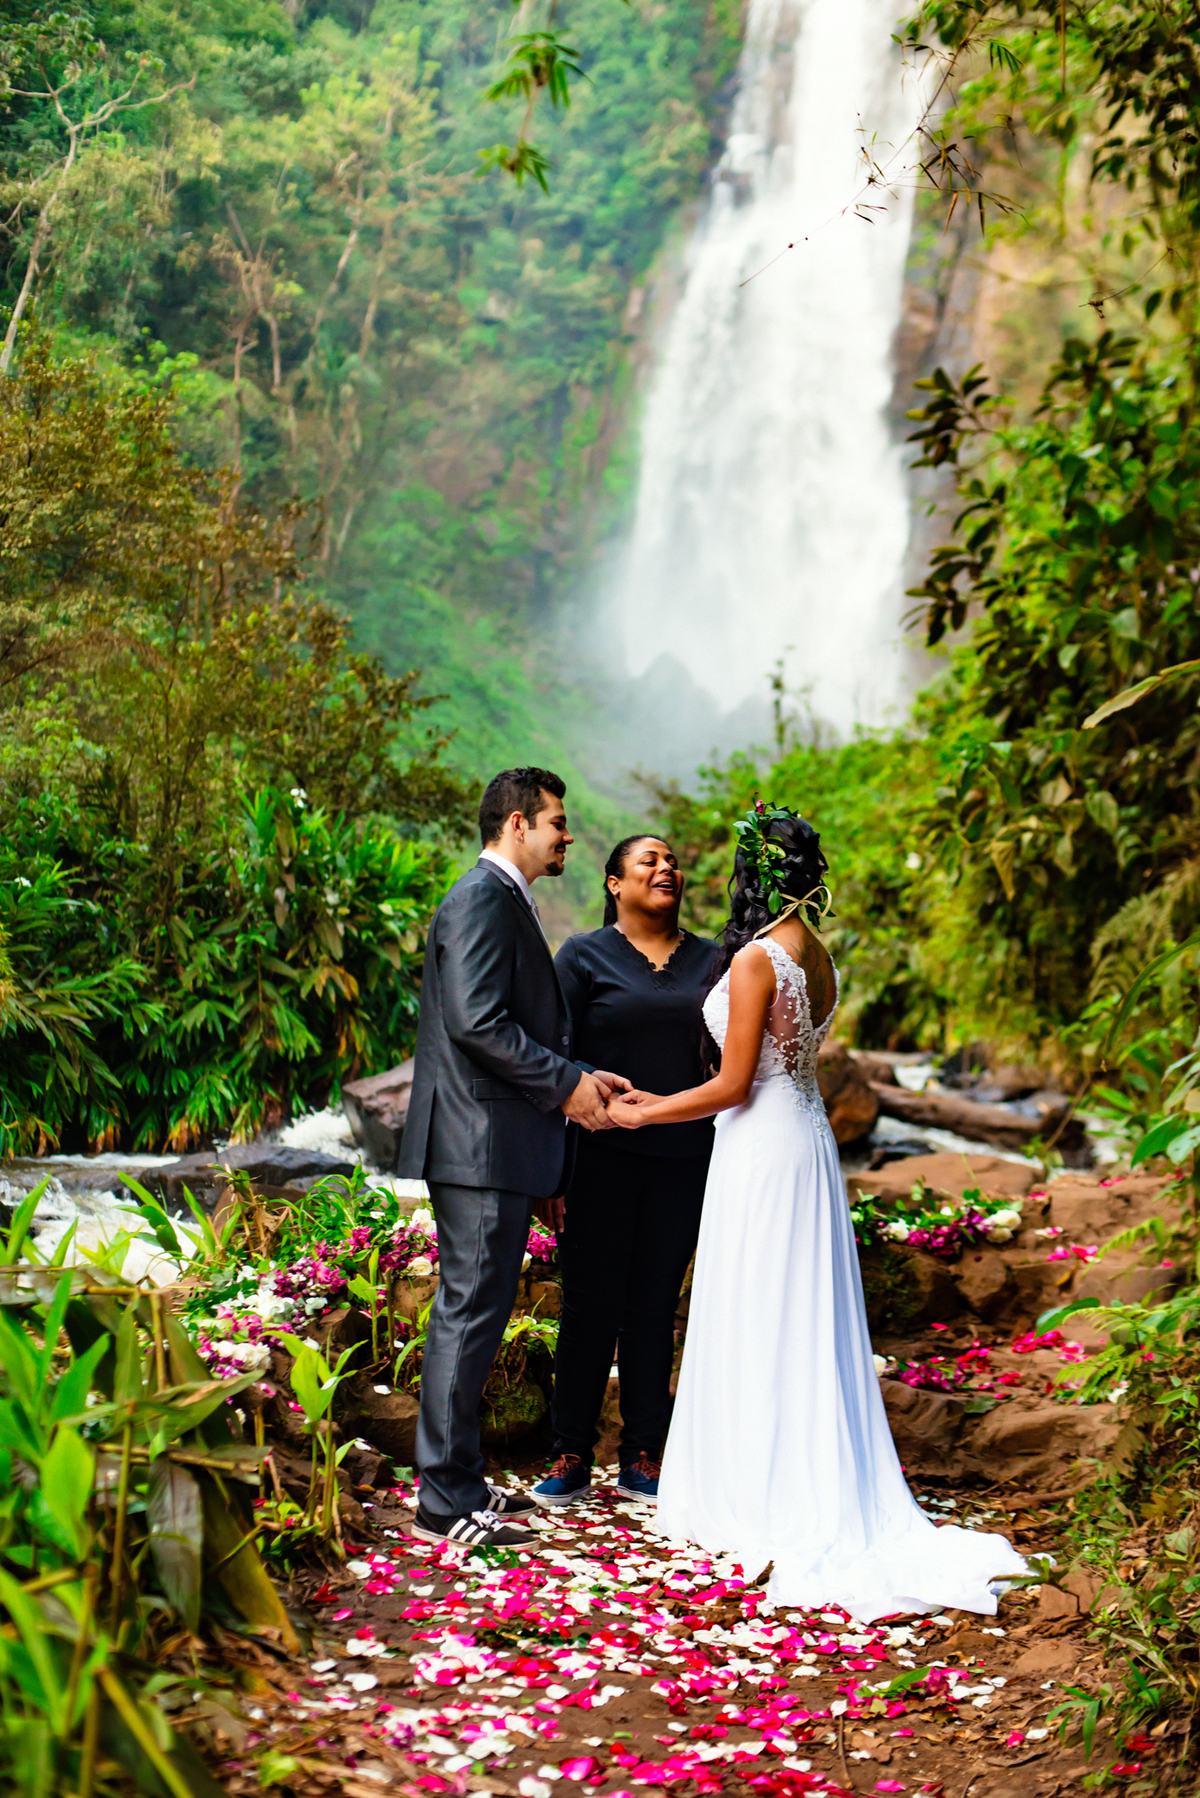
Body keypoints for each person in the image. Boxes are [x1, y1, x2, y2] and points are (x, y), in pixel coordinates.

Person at [607, 803, 1027, 1622]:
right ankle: (787, 1472)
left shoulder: (763, 958)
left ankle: (761, 1493)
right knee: (791, 1313)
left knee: (760, 1309)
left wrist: (641, 1111)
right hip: (800, 1136)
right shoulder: (819, 953)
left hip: (762, 1145)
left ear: (755, 873)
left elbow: (732, 1085)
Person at [398, 767, 630, 1550]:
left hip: (491, 1139)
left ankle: (459, 1479)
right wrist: (566, 1087)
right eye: (558, 822)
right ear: (517, 823)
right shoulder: (479, 899)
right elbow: (475, 1023)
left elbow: (510, 1023)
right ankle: (444, 1499)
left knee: (480, 1309)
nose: (568, 836)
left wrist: (577, 1075)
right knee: (468, 1312)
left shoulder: (502, 899)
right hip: (477, 1142)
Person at [532, 835, 721, 1509]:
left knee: (653, 1306)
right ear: (614, 883)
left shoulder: (714, 958)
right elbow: (552, 1057)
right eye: (649, 861)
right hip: (599, 1158)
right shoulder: (581, 957)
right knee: (588, 1306)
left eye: (672, 860)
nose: (666, 868)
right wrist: (550, 1170)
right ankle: (570, 1451)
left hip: (686, 1158)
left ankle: (644, 1452)